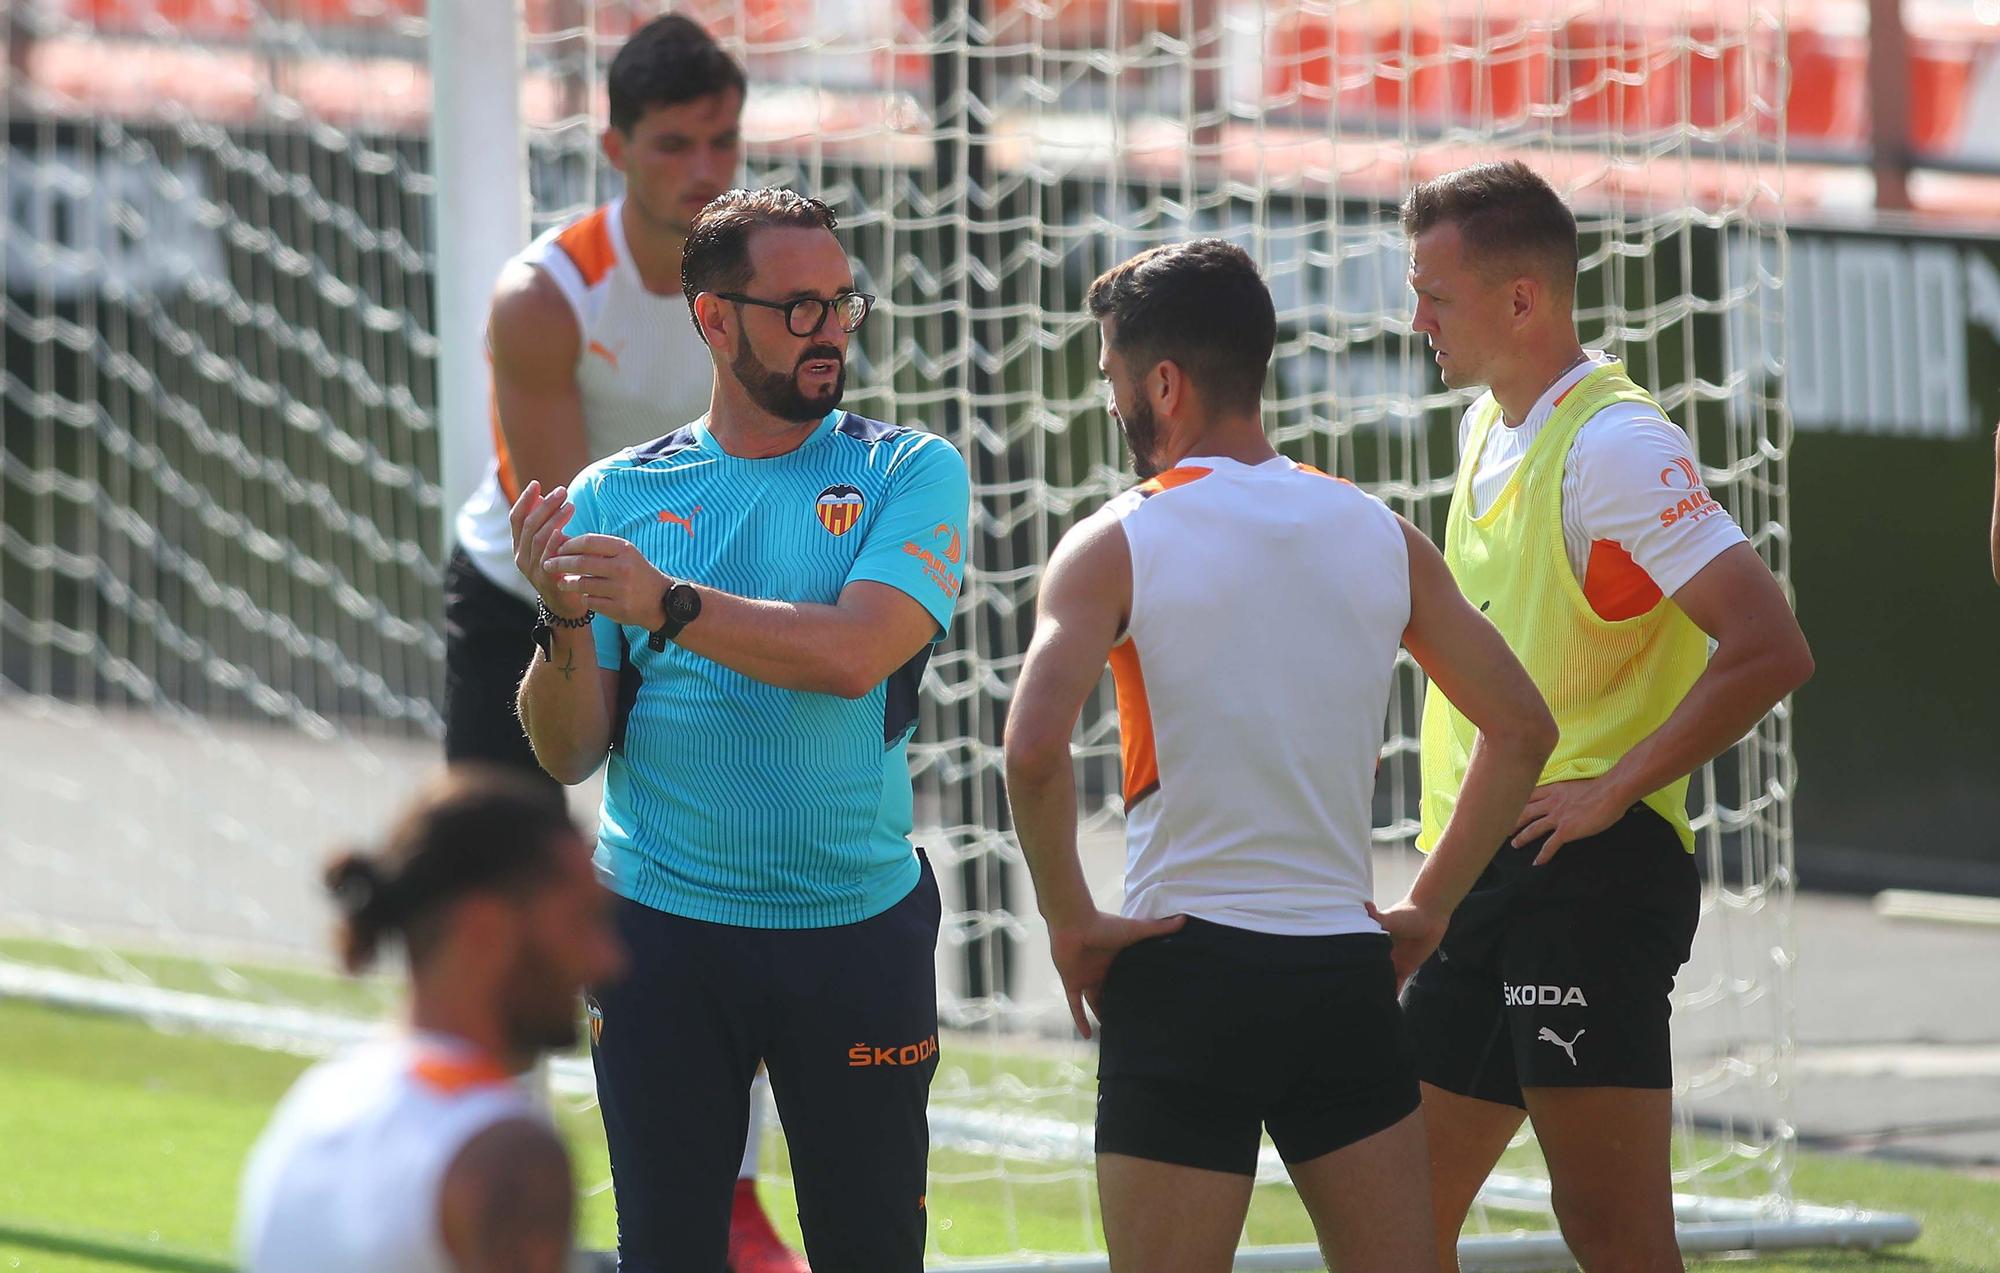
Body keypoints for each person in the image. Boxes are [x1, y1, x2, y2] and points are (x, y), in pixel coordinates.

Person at [1002, 239, 1558, 1273]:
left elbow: (1031, 748)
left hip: (1182, 971)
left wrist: (1070, 920)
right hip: (1340, 979)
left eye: (1113, 381)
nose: (1113, 405)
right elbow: (1522, 729)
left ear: (1160, 382)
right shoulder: (1378, 532)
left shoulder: (1115, 538)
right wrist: (1427, 909)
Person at [509, 188, 971, 1273]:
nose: (831, 333)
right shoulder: (615, 494)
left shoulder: (908, 468)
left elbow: (854, 655)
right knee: (666, 1255)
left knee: (871, 1253)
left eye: (842, 304)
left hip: (853, 933)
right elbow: (567, 749)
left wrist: (667, 599)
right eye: (798, 308)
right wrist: (567, 618)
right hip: (661, 935)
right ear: (715, 320)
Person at [1400, 161, 1816, 1272]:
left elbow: (1769, 646)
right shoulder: (1488, 429)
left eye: (1433, 296)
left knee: (1612, 1232)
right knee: (1389, 1218)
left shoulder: (1615, 450)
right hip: (1489, 868)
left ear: (1521, 298)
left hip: (1583, 876)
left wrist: (1611, 788)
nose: (1415, 320)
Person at [437, 18, 805, 1266]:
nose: (703, 167)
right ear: (612, 148)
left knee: (732, 861)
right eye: (672, 144)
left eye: (723, 138)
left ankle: (734, 1197)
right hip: (530, 596)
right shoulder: (545, 296)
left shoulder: (770, 270)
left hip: (678, 594)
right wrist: (625, 616)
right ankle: (481, 1185)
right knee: (503, 895)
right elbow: (557, 535)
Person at [237, 766, 625, 1273]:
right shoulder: (507, 1155)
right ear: (484, 931)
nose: (607, 960)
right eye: (579, 923)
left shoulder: (315, 1103)